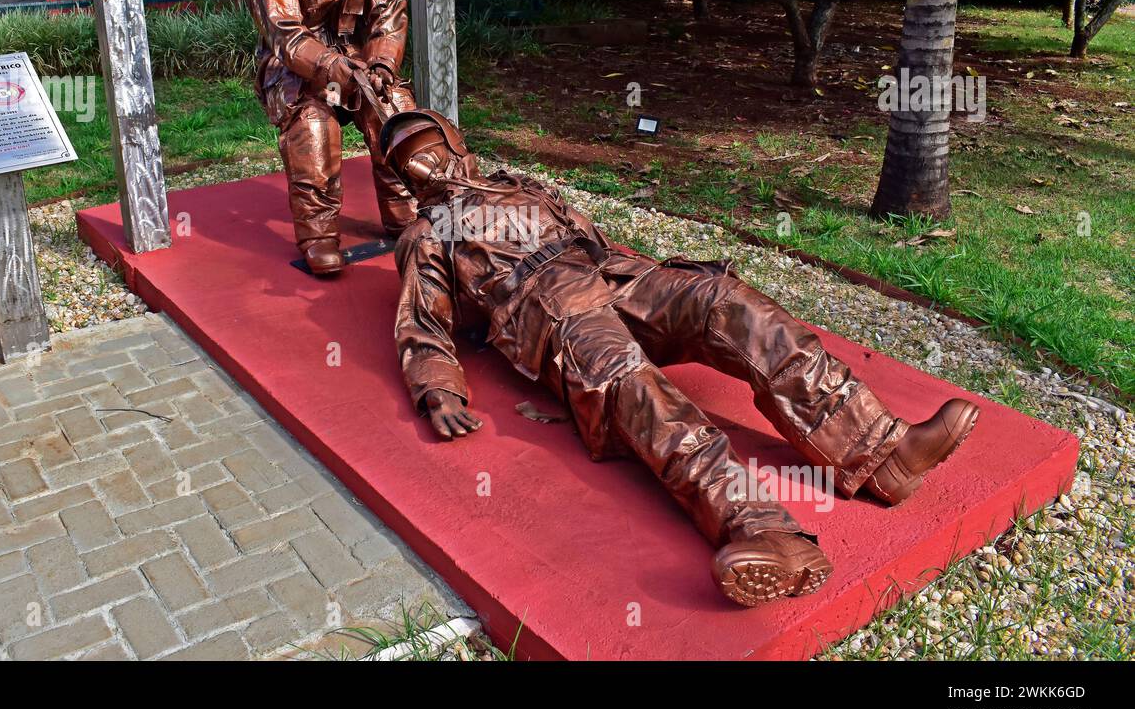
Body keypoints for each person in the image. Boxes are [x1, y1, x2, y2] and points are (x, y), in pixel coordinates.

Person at [379, 109, 980, 607]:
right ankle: (760, 526)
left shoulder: (524, 186)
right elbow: (421, 320)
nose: (428, 163)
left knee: (723, 299)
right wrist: (438, 390)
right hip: (556, 313)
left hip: (617, 277)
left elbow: (592, 239)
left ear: (460, 144)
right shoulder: (427, 235)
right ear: (405, 181)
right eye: (411, 161)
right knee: (630, 381)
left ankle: (882, 447)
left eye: (432, 145)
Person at [244, 0, 417, 275]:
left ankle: (406, 215)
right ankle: (319, 234)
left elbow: (390, 9)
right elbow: (286, 34)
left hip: (356, 63)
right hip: (296, 72)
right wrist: (334, 68)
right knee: (314, 127)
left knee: (393, 108)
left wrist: (380, 65)